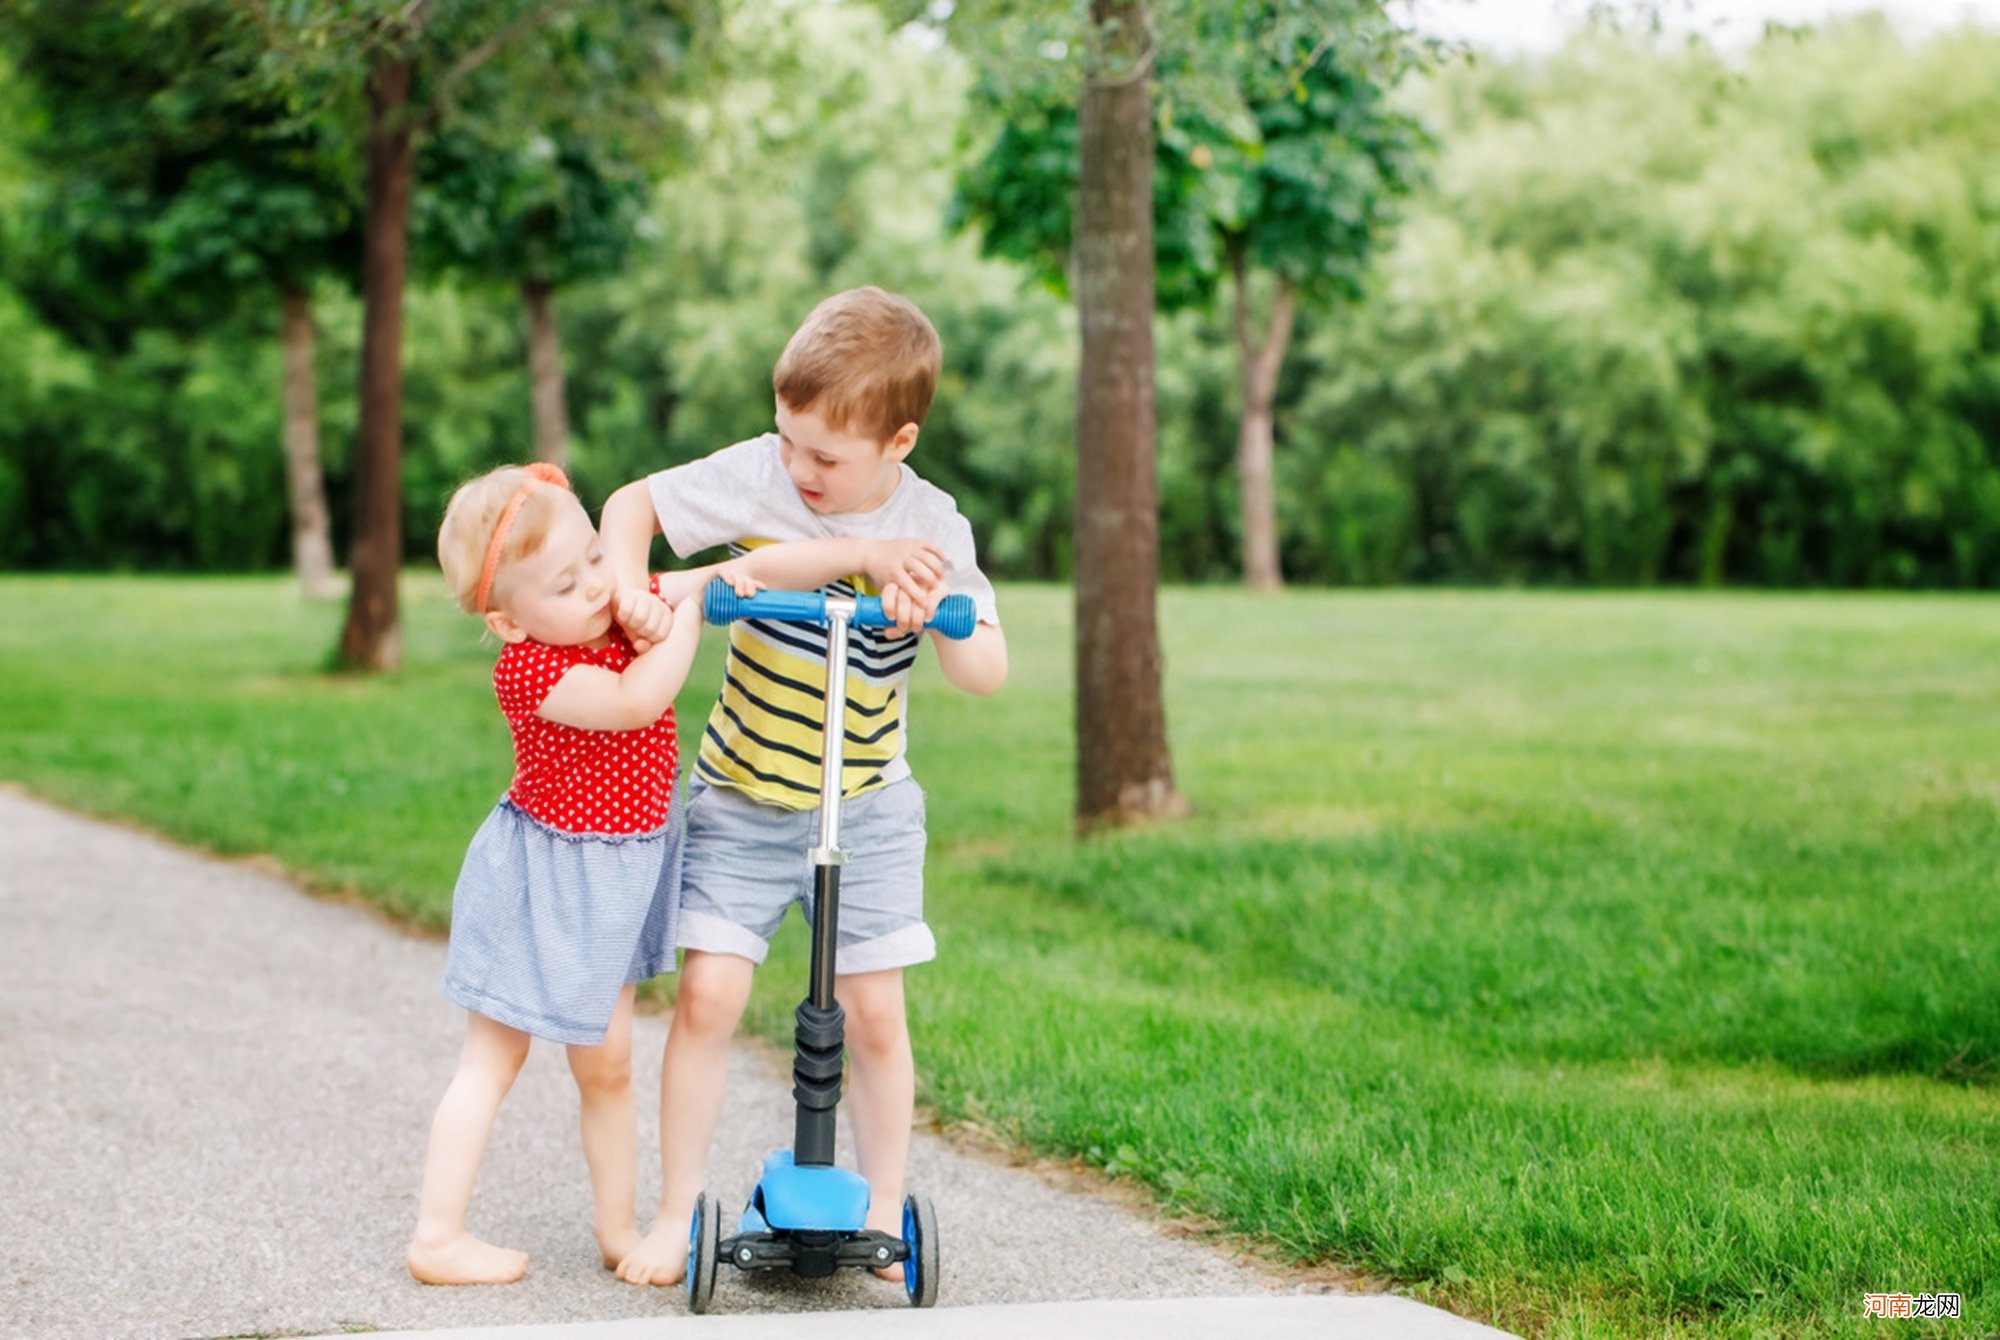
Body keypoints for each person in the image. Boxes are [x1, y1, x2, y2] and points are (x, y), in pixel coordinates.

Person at [413, 462, 950, 1287]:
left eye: (597, 556)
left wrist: (860, 555)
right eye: (567, 582)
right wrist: (689, 615)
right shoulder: (530, 671)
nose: (598, 584)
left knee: (609, 1064)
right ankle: (438, 1234)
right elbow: (636, 698)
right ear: (507, 619)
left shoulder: (612, 605)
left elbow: (750, 569)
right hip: (542, 876)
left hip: (615, 885)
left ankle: (618, 1230)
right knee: (493, 1058)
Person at [598, 285, 1009, 1287]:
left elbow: (986, 666)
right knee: (707, 995)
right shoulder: (757, 476)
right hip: (739, 796)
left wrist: (940, 613)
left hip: (864, 807)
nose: (799, 468)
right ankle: (671, 1211)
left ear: (898, 441)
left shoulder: (929, 525)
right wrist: (624, 589)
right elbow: (631, 506)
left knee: (872, 1013)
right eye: (789, 441)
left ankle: (876, 1208)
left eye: (825, 457)